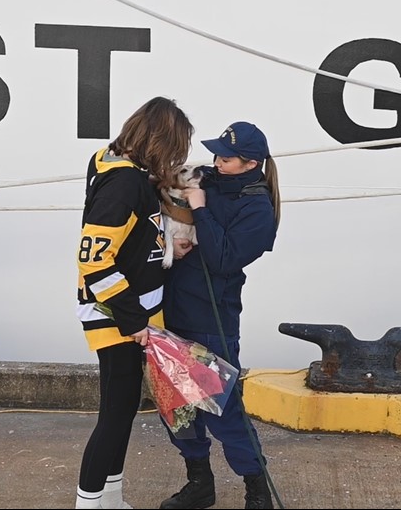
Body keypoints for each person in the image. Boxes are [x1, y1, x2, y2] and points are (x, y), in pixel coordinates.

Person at [74, 97, 194, 509]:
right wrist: (133, 321)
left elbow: (131, 241)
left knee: (122, 410)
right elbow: (93, 259)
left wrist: (166, 250)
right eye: (175, 149)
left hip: (129, 312)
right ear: (159, 142)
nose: (176, 159)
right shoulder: (125, 183)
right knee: (114, 414)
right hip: (117, 315)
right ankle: (89, 504)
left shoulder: (115, 166)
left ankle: (111, 499)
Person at [158, 121, 282, 510]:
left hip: (210, 321)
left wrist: (199, 208)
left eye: (225, 159)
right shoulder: (208, 179)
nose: (215, 163)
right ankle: (200, 483)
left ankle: (256, 489)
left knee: (223, 411)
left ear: (250, 163)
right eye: (215, 154)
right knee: (176, 408)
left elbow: (223, 259)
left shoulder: (258, 210)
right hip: (170, 314)